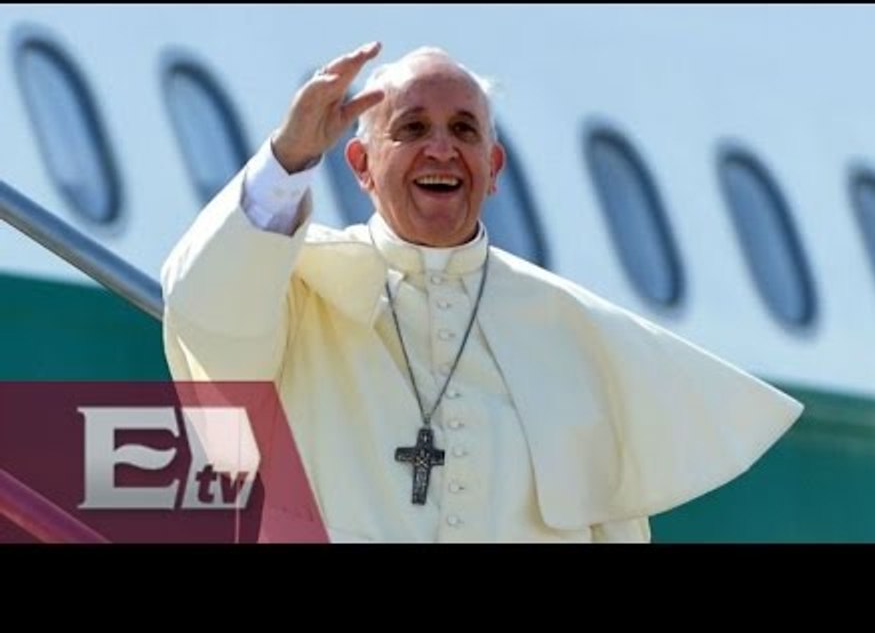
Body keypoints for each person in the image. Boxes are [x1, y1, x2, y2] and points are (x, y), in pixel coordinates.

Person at [161, 41, 803, 543]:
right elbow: (206, 309)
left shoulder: (572, 332)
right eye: (412, 129)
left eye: (464, 130)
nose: (441, 149)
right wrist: (288, 159)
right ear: (361, 165)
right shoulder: (297, 291)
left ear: (492, 170)